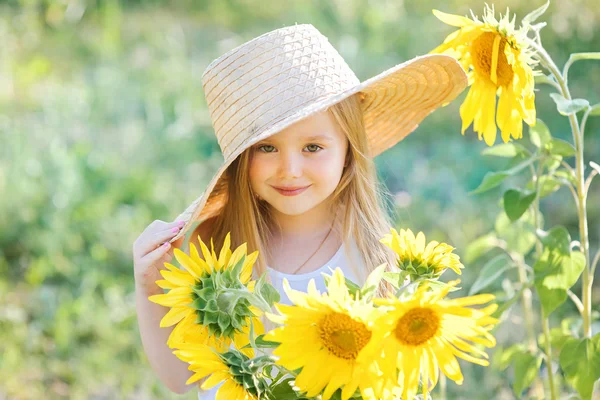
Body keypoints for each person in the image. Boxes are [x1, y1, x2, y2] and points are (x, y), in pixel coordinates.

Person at [132, 23, 467, 399]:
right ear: (241, 161)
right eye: (267, 148)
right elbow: (185, 378)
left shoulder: (371, 253)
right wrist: (148, 292)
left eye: (312, 147)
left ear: (347, 150)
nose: (289, 169)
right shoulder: (217, 250)